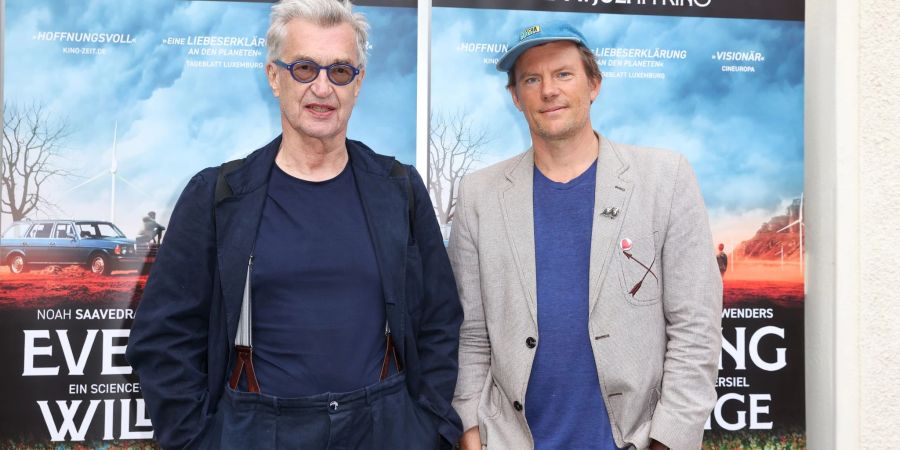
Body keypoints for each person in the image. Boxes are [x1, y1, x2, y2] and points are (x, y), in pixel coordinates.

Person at [126, 1, 463, 448]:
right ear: (274, 77)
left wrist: (427, 429)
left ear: (358, 83)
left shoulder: (398, 189)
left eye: (340, 71)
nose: (322, 88)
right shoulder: (218, 195)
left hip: (385, 429)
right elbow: (164, 337)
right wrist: (196, 441)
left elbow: (439, 318)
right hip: (255, 432)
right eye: (304, 68)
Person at [448, 22, 722, 450]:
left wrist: (667, 442)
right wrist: (468, 430)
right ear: (516, 97)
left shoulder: (665, 179)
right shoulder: (479, 195)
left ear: (594, 84)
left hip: (632, 439)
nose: (548, 90)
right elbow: (471, 332)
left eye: (563, 74)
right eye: (531, 79)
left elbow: (696, 329)